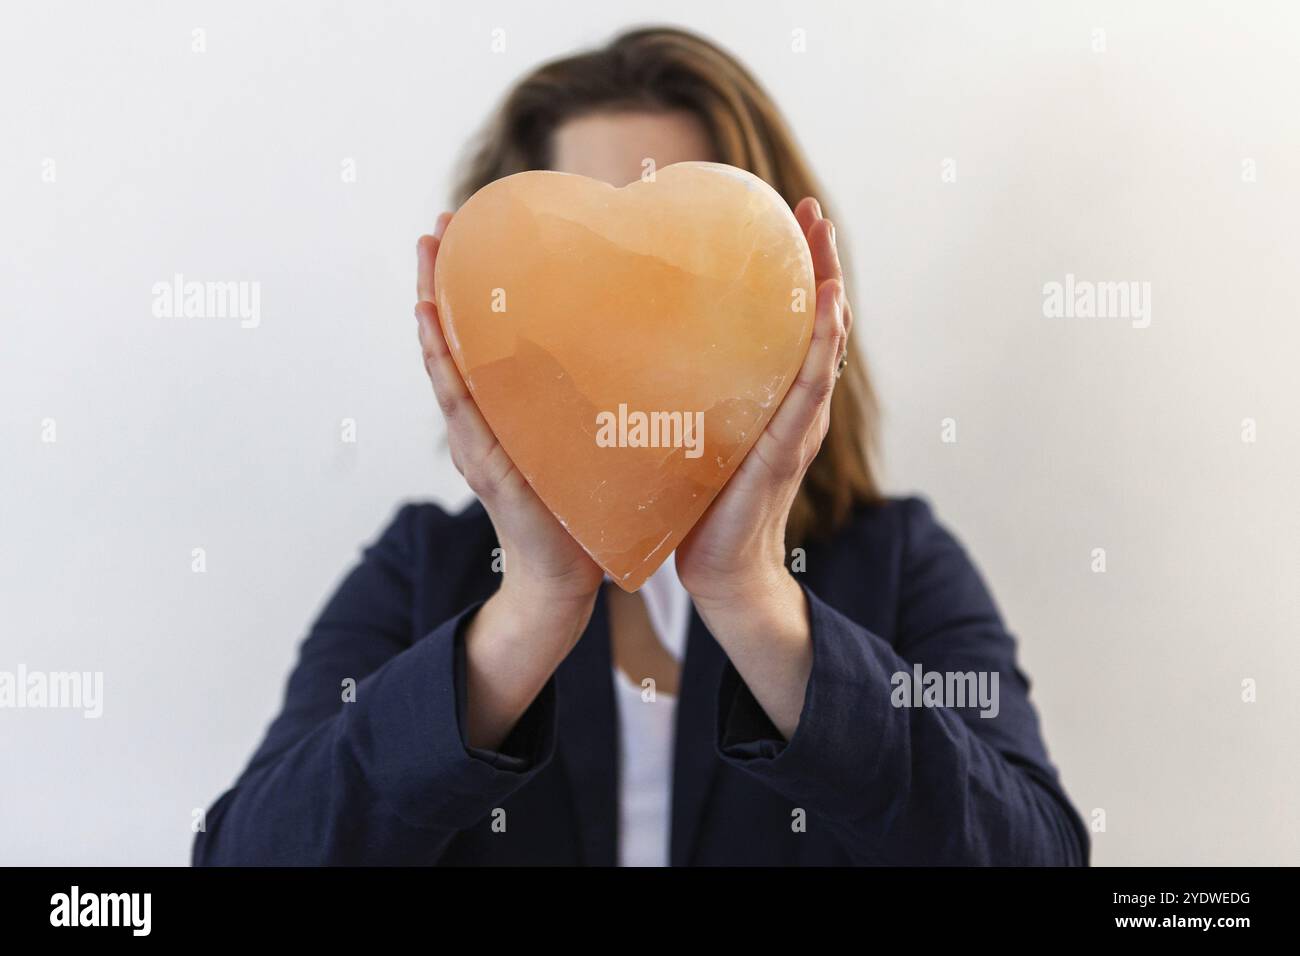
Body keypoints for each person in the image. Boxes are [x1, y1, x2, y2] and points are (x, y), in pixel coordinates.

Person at [193, 26, 1088, 866]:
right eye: (580, 273)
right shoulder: (423, 570)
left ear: (785, 296)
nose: (637, 327)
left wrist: (753, 598)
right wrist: (528, 610)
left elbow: (1035, 853)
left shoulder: (897, 565)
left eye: (686, 267)